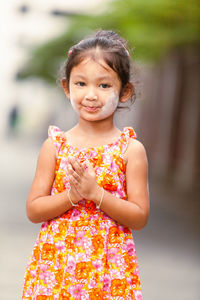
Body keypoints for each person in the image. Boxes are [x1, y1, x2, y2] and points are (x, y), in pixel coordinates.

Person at [22, 29, 149, 299]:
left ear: (124, 91)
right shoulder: (55, 146)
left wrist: (97, 194)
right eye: (81, 84)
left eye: (104, 85)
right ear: (67, 87)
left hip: (109, 270)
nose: (91, 95)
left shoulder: (130, 150)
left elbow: (139, 216)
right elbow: (34, 210)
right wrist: (72, 195)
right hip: (56, 267)